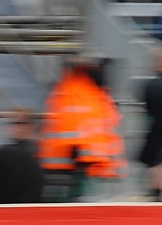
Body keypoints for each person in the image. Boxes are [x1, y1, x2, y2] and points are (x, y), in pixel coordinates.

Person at [39, 56, 127, 201]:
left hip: (80, 162)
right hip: (81, 162)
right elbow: (75, 130)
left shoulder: (85, 93)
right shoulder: (83, 93)